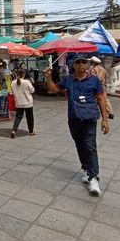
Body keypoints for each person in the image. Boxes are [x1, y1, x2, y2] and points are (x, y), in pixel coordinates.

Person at [44, 56, 109, 196]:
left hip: (89, 118)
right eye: (77, 62)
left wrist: (105, 119)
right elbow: (55, 89)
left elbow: (100, 99)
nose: (80, 64)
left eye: (83, 62)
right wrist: (49, 77)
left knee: (90, 146)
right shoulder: (69, 79)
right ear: (73, 65)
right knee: (79, 144)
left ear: (88, 65)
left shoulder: (94, 80)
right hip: (74, 118)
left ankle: (94, 177)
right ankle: (86, 168)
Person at [10, 69, 35, 139]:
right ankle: (31, 131)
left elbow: (11, 92)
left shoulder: (13, 82)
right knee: (29, 117)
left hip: (18, 103)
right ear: (23, 75)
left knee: (18, 117)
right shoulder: (26, 82)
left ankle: (13, 131)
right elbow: (32, 90)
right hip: (28, 103)